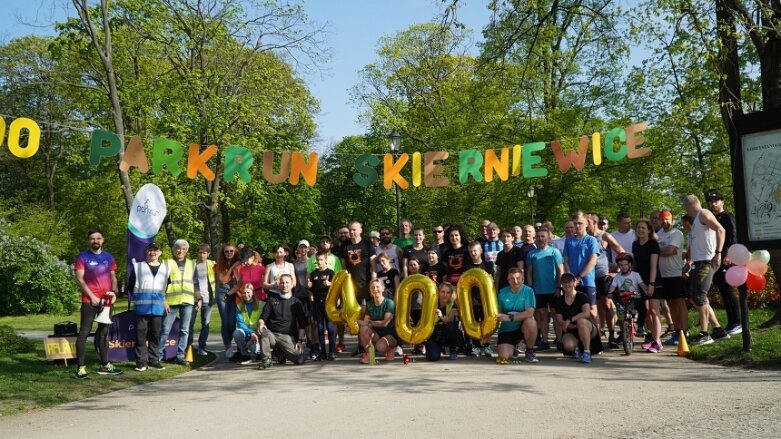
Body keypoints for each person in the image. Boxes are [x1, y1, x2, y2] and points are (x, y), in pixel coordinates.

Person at [683, 195, 730, 345]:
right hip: (698, 262)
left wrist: (718, 253)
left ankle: (704, 333)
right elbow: (697, 245)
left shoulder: (704, 214)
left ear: (689, 206)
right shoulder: (696, 220)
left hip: (707, 261)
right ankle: (718, 330)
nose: (685, 210)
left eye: (684, 207)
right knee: (694, 295)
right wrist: (689, 262)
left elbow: (721, 230)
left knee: (699, 296)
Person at [74, 228, 120, 378]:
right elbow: (79, 279)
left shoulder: (108, 257)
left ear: (103, 240)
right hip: (89, 300)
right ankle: (81, 367)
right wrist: (92, 296)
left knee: (103, 333)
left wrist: (114, 292)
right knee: (84, 332)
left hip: (106, 300)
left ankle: (105, 364)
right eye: (92, 239)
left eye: (98, 238)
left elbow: (113, 276)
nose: (96, 241)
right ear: (89, 241)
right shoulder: (82, 257)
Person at [706, 189, 743, 335]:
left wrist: (728, 254)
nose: (713, 204)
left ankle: (738, 322)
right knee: (723, 289)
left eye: (715, 201)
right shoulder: (712, 219)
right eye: (710, 202)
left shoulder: (727, 217)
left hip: (726, 258)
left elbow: (733, 236)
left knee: (728, 289)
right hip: (716, 258)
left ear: (722, 202)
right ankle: (731, 321)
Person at [130, 242, 168, 371]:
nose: (153, 252)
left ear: (160, 252)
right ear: (146, 252)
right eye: (150, 250)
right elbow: (131, 285)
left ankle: (154, 361)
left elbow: (165, 288)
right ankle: (141, 362)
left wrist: (164, 301)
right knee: (141, 336)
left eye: (155, 250)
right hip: (141, 308)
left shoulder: (165, 269)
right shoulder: (138, 267)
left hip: (157, 309)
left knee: (155, 335)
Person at [257, 274, 309, 369]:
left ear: (292, 284)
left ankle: (281, 352)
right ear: (279, 284)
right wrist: (261, 324)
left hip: (287, 337)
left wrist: (300, 341)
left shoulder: (296, 302)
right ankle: (266, 360)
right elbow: (263, 317)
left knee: (300, 360)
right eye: (282, 283)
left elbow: (302, 325)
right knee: (263, 332)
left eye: (287, 283)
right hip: (272, 335)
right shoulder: (272, 300)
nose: (284, 285)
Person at [159, 239, 196, 366]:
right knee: (165, 329)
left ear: (187, 250)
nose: (180, 251)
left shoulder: (192, 264)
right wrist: (163, 300)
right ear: (173, 250)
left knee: (184, 330)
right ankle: (158, 355)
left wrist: (199, 300)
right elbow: (161, 283)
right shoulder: (166, 263)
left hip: (188, 301)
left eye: (183, 249)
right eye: (178, 248)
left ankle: (180, 356)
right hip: (171, 301)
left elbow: (196, 283)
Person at [525, 228, 564, 351]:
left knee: (556, 316)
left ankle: (559, 340)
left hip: (553, 290)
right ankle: (545, 341)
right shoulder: (531, 254)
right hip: (538, 290)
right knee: (542, 316)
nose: (540, 239)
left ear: (548, 238)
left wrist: (559, 287)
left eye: (543, 236)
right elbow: (529, 272)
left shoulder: (555, 252)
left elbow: (560, 270)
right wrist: (531, 288)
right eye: (538, 236)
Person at [656, 211, 688, 346]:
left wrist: (660, 252)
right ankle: (676, 331)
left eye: (667, 219)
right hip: (664, 275)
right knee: (670, 304)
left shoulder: (677, 233)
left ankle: (685, 332)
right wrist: (664, 251)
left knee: (679, 303)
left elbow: (671, 251)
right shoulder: (658, 235)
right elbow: (660, 251)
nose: (665, 222)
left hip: (676, 273)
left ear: (672, 220)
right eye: (662, 219)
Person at [556, 273, 603, 363]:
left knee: (581, 321)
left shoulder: (582, 296)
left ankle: (586, 352)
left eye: (569, 281)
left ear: (574, 282)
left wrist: (570, 320)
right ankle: (577, 348)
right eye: (564, 282)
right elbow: (559, 320)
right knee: (568, 345)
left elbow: (586, 313)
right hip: (570, 329)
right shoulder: (559, 300)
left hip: (586, 326)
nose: (567, 284)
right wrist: (571, 326)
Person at [495, 268, 539, 364]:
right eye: (512, 278)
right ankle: (515, 347)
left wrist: (509, 317)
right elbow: (497, 315)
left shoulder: (528, 291)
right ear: (508, 280)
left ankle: (530, 351)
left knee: (531, 322)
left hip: (523, 328)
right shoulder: (502, 292)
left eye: (518, 278)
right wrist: (487, 335)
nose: (515, 281)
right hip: (507, 329)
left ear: (523, 279)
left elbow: (529, 313)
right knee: (504, 356)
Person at [563, 211, 600, 318]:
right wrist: (571, 277)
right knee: (575, 310)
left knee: (592, 310)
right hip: (572, 282)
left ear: (586, 224)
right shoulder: (569, 241)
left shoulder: (591, 240)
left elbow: (593, 260)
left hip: (587, 280)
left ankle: (596, 333)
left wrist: (579, 277)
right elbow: (565, 260)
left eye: (580, 223)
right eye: (575, 223)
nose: (577, 226)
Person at [607, 254, 649, 346]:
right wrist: (610, 293)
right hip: (623, 298)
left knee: (643, 309)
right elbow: (613, 287)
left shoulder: (635, 275)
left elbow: (642, 284)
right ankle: (624, 330)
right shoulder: (617, 277)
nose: (623, 267)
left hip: (635, 297)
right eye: (621, 265)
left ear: (630, 265)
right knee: (621, 312)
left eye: (625, 264)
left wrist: (646, 291)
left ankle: (641, 326)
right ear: (618, 266)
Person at [632, 219, 661, 351]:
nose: (640, 230)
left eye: (643, 228)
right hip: (640, 280)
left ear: (649, 230)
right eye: (638, 228)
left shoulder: (653, 244)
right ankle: (652, 338)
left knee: (654, 311)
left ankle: (658, 341)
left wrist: (651, 284)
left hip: (653, 280)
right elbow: (635, 265)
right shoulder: (635, 244)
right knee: (646, 311)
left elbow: (653, 266)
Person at [463, 240, 494, 356]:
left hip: (486, 300)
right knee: (474, 322)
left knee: (486, 323)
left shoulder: (488, 265)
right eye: (471, 252)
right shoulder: (467, 266)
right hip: (472, 300)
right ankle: (476, 345)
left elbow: (491, 281)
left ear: (480, 251)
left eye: (475, 251)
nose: (473, 253)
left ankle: (486, 345)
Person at [357, 279, 398, 363]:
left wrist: (368, 323)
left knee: (380, 347)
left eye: (377, 287)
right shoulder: (369, 304)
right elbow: (365, 323)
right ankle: (370, 355)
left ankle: (391, 348)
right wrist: (353, 323)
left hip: (389, 334)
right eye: (372, 287)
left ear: (383, 289)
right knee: (363, 328)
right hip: (376, 335)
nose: (375, 289)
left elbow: (384, 323)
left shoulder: (389, 303)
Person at [341, 220, 377, 307]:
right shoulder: (344, 246)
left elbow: (373, 266)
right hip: (351, 284)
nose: (351, 232)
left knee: (366, 310)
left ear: (360, 230)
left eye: (354, 230)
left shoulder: (368, 245)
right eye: (350, 230)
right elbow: (343, 266)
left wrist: (373, 282)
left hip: (365, 284)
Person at [308, 251, 336, 361]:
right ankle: (322, 352)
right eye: (317, 260)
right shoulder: (314, 273)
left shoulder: (331, 272)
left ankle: (332, 351)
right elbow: (310, 288)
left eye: (321, 260)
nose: (319, 262)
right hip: (317, 303)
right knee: (319, 327)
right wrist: (310, 293)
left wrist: (330, 284)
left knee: (330, 327)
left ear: (325, 260)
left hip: (329, 302)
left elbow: (337, 287)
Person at [215, 243, 241, 359]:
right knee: (226, 321)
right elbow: (223, 280)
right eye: (226, 251)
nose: (229, 253)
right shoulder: (219, 264)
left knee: (233, 321)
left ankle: (240, 346)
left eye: (231, 251)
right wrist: (231, 268)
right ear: (223, 253)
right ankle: (228, 346)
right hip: (223, 293)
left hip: (236, 292)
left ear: (235, 252)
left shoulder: (240, 264)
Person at [424, 282, 462, 361]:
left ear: (451, 294)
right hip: (435, 334)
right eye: (443, 292)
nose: (445, 295)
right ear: (438, 292)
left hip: (447, 333)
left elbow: (448, 320)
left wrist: (441, 315)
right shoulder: (432, 302)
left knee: (451, 326)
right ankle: (439, 348)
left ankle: (452, 349)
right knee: (432, 357)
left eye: (448, 292)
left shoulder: (453, 304)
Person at [190, 244, 216, 356]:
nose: (202, 255)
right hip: (194, 299)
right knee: (189, 324)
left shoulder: (212, 264)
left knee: (205, 324)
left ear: (208, 254)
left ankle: (201, 347)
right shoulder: (191, 264)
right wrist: (197, 297)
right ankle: (188, 347)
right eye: (200, 252)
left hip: (208, 299)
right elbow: (192, 282)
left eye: (204, 253)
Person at [232, 283, 263, 364]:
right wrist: (251, 333)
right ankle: (244, 354)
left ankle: (255, 354)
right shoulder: (239, 306)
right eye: (244, 293)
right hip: (246, 333)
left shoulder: (261, 305)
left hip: (258, 335)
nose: (246, 295)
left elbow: (263, 322)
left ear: (253, 293)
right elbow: (240, 323)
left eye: (248, 292)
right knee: (236, 333)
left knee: (254, 349)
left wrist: (255, 334)